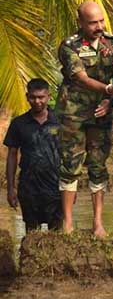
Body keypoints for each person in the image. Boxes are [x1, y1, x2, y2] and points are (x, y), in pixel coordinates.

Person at [55, 1, 113, 237]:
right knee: (70, 165)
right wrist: (109, 91)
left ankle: (98, 223)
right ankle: (67, 223)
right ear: (80, 23)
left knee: (98, 167)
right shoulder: (69, 46)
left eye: (101, 21)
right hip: (73, 114)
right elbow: (80, 78)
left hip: (101, 115)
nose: (99, 26)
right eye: (92, 23)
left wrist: (109, 100)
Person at [4, 79, 62, 232]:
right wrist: (10, 188)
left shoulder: (59, 121)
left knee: (56, 234)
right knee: (31, 231)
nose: (37, 101)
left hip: (55, 186)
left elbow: (69, 154)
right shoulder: (18, 123)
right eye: (33, 97)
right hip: (29, 187)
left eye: (41, 97)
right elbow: (12, 155)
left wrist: (70, 188)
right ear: (27, 96)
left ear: (49, 96)